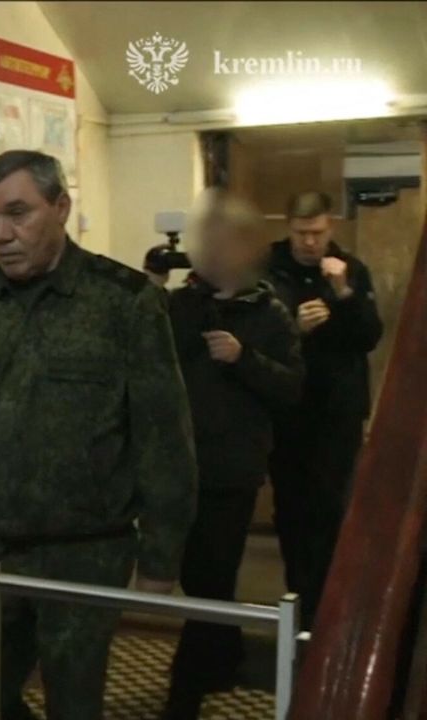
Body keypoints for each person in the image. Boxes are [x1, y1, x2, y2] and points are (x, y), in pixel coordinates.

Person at [0, 150, 198, 720]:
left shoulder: (123, 302)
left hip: (87, 551)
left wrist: (160, 560)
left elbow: (163, 437)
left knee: (73, 703)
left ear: (61, 207)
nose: (2, 234)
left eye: (18, 213)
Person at [162, 190, 304, 719]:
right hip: (178, 467)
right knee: (195, 576)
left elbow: (291, 388)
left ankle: (186, 691)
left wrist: (244, 359)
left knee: (210, 578)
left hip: (232, 470)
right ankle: (224, 657)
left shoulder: (271, 314)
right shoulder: (183, 306)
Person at [266, 191, 383, 629]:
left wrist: (344, 293)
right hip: (289, 410)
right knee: (291, 510)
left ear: (329, 227)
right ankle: (297, 604)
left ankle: (327, 609)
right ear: (289, 227)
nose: (309, 243)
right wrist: (294, 330)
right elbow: (256, 335)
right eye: (301, 233)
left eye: (317, 233)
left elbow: (370, 335)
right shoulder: (268, 268)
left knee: (332, 511)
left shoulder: (350, 269)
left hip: (338, 412)